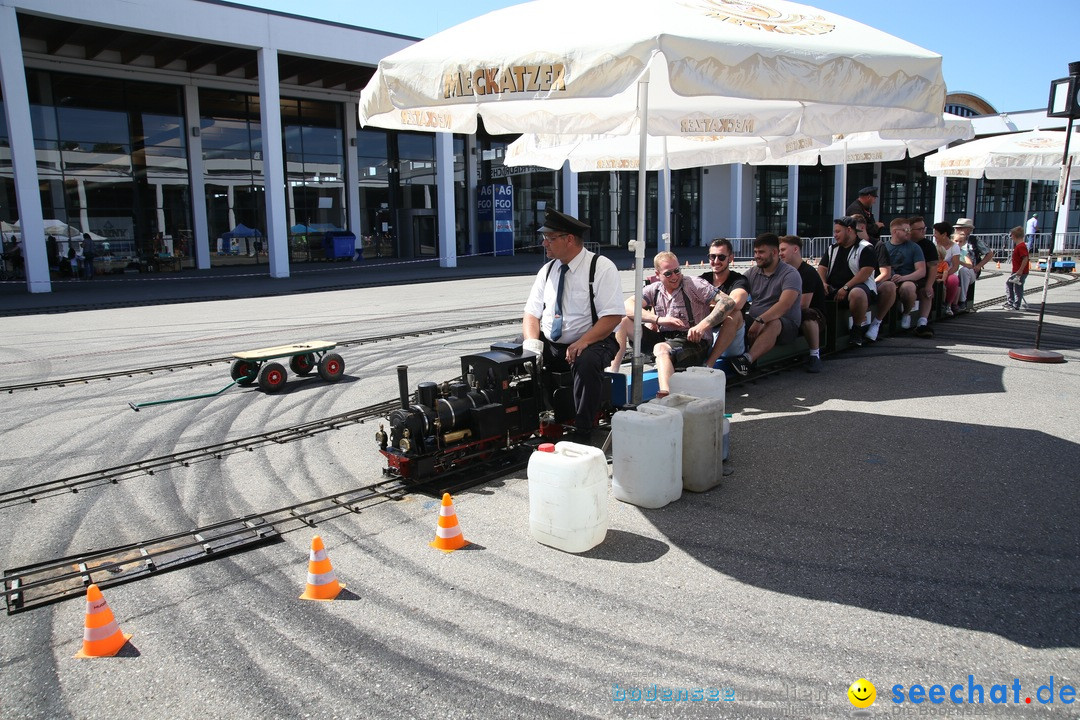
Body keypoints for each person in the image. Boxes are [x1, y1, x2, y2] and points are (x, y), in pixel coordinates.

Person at [522, 208, 624, 436]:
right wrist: (531, 343)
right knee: (512, 358)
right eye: (544, 238)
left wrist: (582, 342)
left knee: (586, 362)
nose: (544, 243)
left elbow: (612, 316)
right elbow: (531, 312)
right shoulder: (547, 270)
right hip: (552, 341)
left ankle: (583, 429)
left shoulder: (601, 267)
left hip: (595, 339)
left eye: (550, 238)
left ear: (569, 239)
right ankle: (531, 422)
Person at [611, 251, 734, 397]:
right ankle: (611, 376)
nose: (675, 277)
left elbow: (727, 302)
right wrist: (657, 319)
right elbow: (626, 306)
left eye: (677, 271)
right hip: (665, 339)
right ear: (658, 274)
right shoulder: (655, 289)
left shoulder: (694, 284)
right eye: (668, 274)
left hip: (693, 342)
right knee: (623, 321)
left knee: (661, 348)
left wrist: (702, 326)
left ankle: (667, 396)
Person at [728, 233, 802, 376]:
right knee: (734, 316)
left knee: (774, 323)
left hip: (786, 326)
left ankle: (747, 360)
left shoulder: (790, 274)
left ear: (774, 252)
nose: (757, 256)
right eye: (755, 252)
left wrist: (761, 320)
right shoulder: (753, 272)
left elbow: (784, 305)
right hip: (756, 320)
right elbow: (739, 288)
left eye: (761, 252)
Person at [819, 217, 877, 347]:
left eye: (838, 231)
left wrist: (846, 287)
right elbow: (822, 268)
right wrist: (823, 283)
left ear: (849, 230)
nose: (835, 235)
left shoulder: (866, 248)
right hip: (833, 288)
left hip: (858, 288)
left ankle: (857, 330)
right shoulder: (832, 249)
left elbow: (865, 272)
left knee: (857, 293)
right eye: (834, 232)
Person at [699, 238, 750, 368]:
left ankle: (709, 365)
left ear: (730, 258)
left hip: (731, 341)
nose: (716, 261)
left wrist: (708, 305)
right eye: (712, 256)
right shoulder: (703, 279)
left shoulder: (739, 280)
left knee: (734, 314)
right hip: (707, 334)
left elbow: (734, 304)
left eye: (721, 257)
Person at [779, 235, 827, 373]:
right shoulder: (783, 272)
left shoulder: (808, 272)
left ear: (795, 249)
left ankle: (815, 355)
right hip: (789, 313)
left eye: (783, 250)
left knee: (807, 314)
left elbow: (803, 305)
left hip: (815, 317)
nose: (780, 254)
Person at [881, 218, 926, 330]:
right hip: (888, 279)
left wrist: (903, 278)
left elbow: (921, 271)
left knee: (908, 288)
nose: (909, 232)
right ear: (895, 231)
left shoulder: (914, 247)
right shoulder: (883, 247)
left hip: (907, 279)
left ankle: (906, 313)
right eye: (906, 229)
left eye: (910, 229)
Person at [909, 216, 938, 338]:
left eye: (924, 228)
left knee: (926, 292)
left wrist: (929, 285)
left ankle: (922, 322)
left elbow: (933, 267)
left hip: (922, 279)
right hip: (905, 276)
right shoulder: (904, 243)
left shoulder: (928, 245)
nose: (923, 231)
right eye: (919, 229)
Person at [933, 222, 962, 315]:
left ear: (944, 234)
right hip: (935, 271)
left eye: (936, 233)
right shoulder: (934, 245)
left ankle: (948, 304)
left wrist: (944, 274)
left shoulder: (954, 247)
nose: (934, 235)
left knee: (953, 280)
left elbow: (955, 266)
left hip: (947, 271)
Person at [1004, 226, 1030, 311]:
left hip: (1019, 272)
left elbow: (1025, 258)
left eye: (1011, 235)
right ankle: (1013, 302)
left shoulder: (1021, 246)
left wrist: (1020, 270)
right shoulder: (1020, 246)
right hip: (1018, 271)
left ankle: (1014, 304)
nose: (1011, 237)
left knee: (1015, 286)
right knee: (1012, 284)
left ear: (1014, 236)